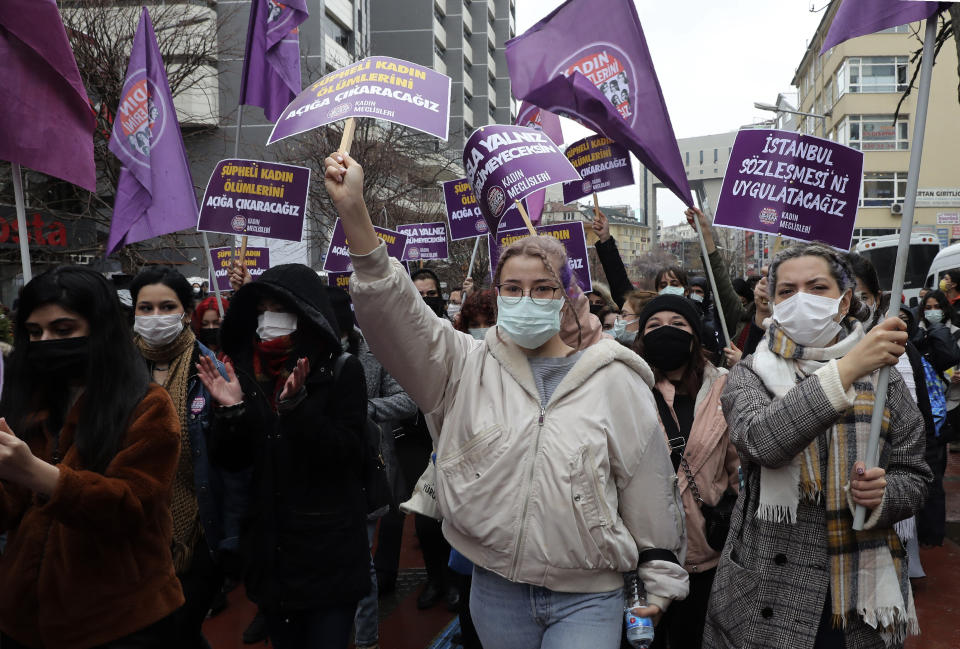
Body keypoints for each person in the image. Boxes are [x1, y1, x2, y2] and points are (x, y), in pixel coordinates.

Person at [325, 151, 688, 649]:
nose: (526, 298)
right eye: (512, 288)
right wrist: (354, 214)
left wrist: (660, 578)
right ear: (496, 295)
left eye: (542, 288)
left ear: (567, 295)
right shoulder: (465, 364)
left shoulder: (616, 379)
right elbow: (398, 316)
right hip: (495, 587)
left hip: (589, 592)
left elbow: (648, 487)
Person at [704, 243, 931, 649]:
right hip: (768, 582)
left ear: (843, 302)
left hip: (858, 590)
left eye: (817, 286)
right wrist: (846, 370)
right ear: (772, 303)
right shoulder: (749, 373)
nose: (801, 299)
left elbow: (914, 473)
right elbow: (761, 441)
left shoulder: (886, 380)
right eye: (787, 291)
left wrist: (884, 494)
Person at [0, 266, 184, 648]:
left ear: (99, 329)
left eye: (63, 330)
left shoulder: (147, 404)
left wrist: (38, 474)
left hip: (118, 620)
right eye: (35, 333)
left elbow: (131, 507)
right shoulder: (31, 402)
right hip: (23, 619)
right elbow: (9, 508)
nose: (46, 341)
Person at [197, 264, 370, 649]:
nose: (267, 318)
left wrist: (298, 408)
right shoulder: (241, 372)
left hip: (329, 554)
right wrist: (231, 411)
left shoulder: (341, 370)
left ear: (306, 312)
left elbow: (346, 455)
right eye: (261, 309)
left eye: (279, 307)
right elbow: (232, 461)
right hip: (271, 553)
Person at [129, 266, 247, 649]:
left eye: (166, 306)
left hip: (195, 533)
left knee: (176, 629)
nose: (154, 317)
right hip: (130, 529)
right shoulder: (116, 370)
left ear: (185, 311)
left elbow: (235, 458)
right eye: (144, 308)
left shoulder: (209, 368)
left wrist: (233, 412)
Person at [632, 295, 739, 649]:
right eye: (654, 325)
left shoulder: (727, 387)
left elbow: (739, 471)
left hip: (706, 553)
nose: (666, 331)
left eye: (677, 324)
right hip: (641, 557)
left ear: (695, 335)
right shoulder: (628, 388)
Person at [326, 286, 418, 649]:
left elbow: (407, 401)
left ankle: (367, 640)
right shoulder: (298, 350)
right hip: (318, 474)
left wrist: (359, 409)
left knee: (361, 563)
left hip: (365, 468)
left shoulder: (377, 350)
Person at [919, 290, 960, 453]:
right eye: (928, 307)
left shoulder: (956, 332)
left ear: (944, 308)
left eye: (937, 307)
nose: (933, 311)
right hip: (929, 401)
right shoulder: (919, 334)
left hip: (954, 400)